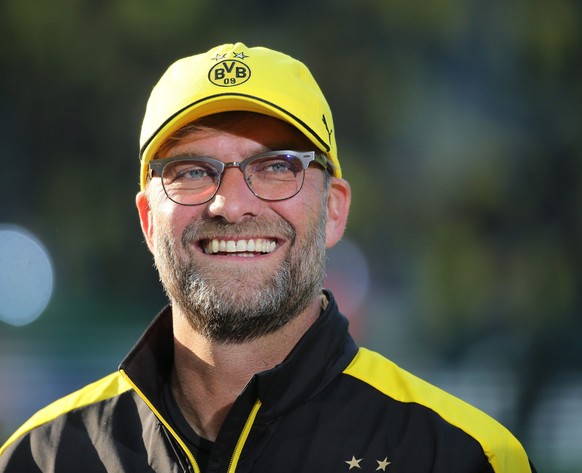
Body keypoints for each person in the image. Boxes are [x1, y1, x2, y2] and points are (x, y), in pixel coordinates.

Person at [0, 42, 536, 473]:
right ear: (146, 219)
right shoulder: (39, 458)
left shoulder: (463, 456)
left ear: (333, 209)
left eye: (277, 166)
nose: (231, 205)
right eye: (191, 170)